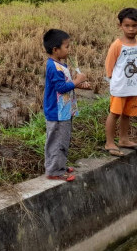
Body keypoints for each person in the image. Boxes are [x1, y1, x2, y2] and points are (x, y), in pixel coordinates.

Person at [42, 29, 91, 182]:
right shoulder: (53, 67)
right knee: (58, 141)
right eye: (67, 47)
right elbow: (61, 88)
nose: (69, 50)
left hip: (63, 110)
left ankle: (58, 165)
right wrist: (77, 80)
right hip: (57, 112)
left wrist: (79, 85)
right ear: (55, 50)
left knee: (61, 140)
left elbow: (65, 84)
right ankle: (54, 171)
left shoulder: (60, 64)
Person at [104, 7, 137, 156]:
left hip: (134, 86)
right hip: (120, 87)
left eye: (134, 26)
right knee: (114, 113)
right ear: (120, 26)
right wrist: (113, 81)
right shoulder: (117, 45)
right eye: (127, 26)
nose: (130, 29)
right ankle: (109, 142)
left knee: (127, 114)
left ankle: (124, 139)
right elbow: (109, 65)